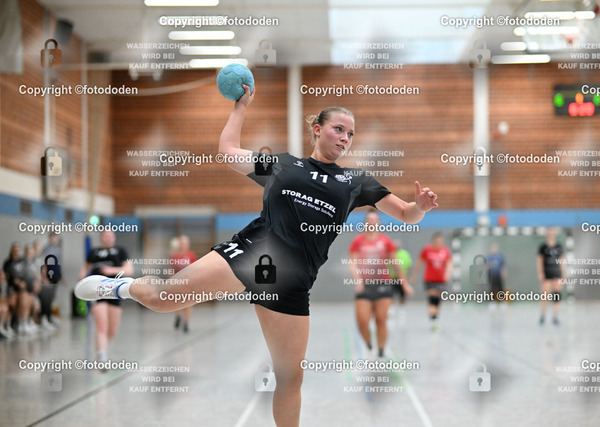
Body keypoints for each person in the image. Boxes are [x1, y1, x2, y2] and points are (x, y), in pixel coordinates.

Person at [75, 85, 438, 426]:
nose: (345, 138)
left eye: (351, 134)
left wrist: (419, 207)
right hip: (251, 254)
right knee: (162, 298)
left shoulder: (356, 182)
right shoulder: (283, 166)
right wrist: (241, 107)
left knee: (290, 377)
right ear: (317, 129)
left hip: (292, 282)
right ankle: (117, 287)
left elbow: (406, 213)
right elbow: (228, 151)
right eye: (338, 129)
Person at [349, 210, 412, 359]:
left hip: (383, 283)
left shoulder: (386, 241)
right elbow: (352, 263)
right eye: (369, 220)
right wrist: (358, 280)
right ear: (365, 223)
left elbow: (395, 264)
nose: (372, 222)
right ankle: (368, 341)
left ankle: (382, 348)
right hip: (365, 285)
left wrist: (404, 283)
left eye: (375, 220)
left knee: (381, 318)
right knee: (362, 320)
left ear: (378, 223)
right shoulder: (358, 241)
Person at [78, 230, 133, 365]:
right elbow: (85, 267)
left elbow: (129, 270)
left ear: (114, 238)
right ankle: (101, 355)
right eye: (105, 236)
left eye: (110, 236)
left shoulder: (120, 251)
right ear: (101, 238)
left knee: (112, 330)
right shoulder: (94, 252)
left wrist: (112, 270)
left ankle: (102, 349)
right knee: (102, 326)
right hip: (98, 290)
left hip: (115, 291)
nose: (107, 238)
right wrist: (81, 278)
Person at [411, 232, 451, 331]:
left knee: (437, 301)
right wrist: (415, 275)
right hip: (429, 279)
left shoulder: (445, 251)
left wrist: (447, 274)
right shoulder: (427, 250)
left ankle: (435, 318)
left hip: (440, 280)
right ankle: (433, 320)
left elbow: (449, 263)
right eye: (437, 241)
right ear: (433, 241)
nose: (439, 243)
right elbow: (419, 262)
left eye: (441, 241)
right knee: (432, 299)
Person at [537, 228, 565, 326]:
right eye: (549, 232)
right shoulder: (543, 247)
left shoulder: (558, 246)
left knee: (557, 294)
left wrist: (563, 273)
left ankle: (555, 316)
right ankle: (543, 315)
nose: (551, 233)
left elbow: (561, 260)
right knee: (545, 294)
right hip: (547, 272)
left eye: (552, 232)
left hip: (556, 272)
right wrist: (540, 272)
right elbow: (539, 260)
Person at [171, 235, 197, 333]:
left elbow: (195, 268)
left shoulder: (191, 255)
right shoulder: (174, 255)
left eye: (185, 243)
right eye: (182, 243)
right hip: (177, 282)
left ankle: (186, 322)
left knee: (188, 303)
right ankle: (178, 317)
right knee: (176, 302)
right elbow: (171, 269)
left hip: (187, 283)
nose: (183, 245)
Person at [487, 243, 506, 310]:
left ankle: (502, 302)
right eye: (493, 248)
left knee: (500, 288)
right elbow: (487, 265)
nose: (494, 249)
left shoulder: (500, 257)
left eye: (495, 248)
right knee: (492, 289)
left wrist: (503, 272)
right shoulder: (489, 257)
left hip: (498, 275)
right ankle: (492, 302)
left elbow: (503, 265)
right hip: (492, 275)